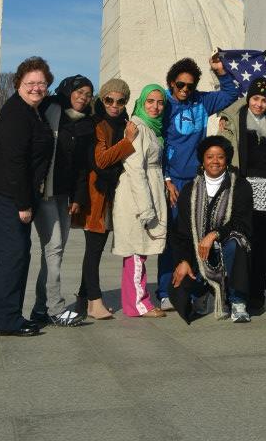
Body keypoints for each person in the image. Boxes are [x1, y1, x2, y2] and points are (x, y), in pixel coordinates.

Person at [157, 54, 239, 310]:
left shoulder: (202, 101)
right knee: (171, 237)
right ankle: (165, 290)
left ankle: (194, 290)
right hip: (173, 182)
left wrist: (220, 71)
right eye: (180, 85)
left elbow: (231, 93)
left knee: (197, 236)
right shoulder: (164, 106)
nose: (184, 90)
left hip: (197, 182)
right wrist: (166, 178)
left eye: (189, 86)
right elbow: (157, 145)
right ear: (171, 83)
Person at [0, 57, 54, 337]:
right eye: (30, 82)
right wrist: (23, 204)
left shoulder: (32, 111)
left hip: (13, 194)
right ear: (19, 83)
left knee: (16, 255)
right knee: (13, 256)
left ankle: (8, 315)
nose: (36, 88)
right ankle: (7, 320)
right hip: (8, 196)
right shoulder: (16, 114)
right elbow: (14, 162)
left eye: (41, 83)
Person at [30, 74, 94, 327]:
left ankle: (39, 308)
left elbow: (82, 166)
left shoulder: (86, 123)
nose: (83, 97)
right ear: (68, 91)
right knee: (53, 248)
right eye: (79, 91)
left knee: (54, 253)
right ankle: (56, 309)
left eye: (88, 94)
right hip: (44, 191)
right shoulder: (49, 109)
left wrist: (78, 197)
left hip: (64, 195)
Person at [169, 136, 253, 323]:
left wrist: (214, 235)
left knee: (236, 244)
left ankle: (237, 301)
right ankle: (203, 293)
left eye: (220, 157)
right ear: (202, 160)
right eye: (210, 157)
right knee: (181, 283)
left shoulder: (240, 186)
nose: (215, 161)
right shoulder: (190, 190)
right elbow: (181, 231)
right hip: (199, 253)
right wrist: (183, 261)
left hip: (227, 248)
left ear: (227, 159)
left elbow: (242, 222)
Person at [218, 75, 266, 311]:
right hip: (241, 187)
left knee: (259, 244)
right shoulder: (235, 119)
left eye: (264, 100)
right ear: (248, 98)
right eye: (255, 98)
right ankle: (234, 294)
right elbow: (223, 149)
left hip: (265, 187)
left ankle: (256, 295)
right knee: (238, 241)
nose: (259, 104)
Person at [75, 79, 138, 320]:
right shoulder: (98, 124)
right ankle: (94, 301)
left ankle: (83, 299)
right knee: (94, 249)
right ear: (102, 100)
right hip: (97, 196)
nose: (114, 105)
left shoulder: (122, 123)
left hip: (110, 195)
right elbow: (101, 161)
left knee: (95, 249)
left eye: (120, 101)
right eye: (109, 100)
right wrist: (127, 142)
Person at [112, 85, 168, 318]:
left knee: (139, 252)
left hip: (148, 189)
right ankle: (138, 303)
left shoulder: (151, 128)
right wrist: (146, 208)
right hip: (137, 197)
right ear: (141, 102)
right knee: (136, 251)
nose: (155, 107)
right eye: (150, 101)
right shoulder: (138, 127)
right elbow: (135, 169)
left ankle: (136, 300)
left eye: (160, 102)